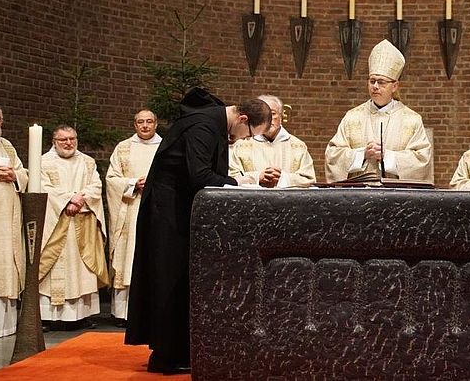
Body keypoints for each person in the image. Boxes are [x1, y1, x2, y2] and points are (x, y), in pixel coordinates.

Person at [125, 88, 271, 375]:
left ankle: (178, 350)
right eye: (249, 133)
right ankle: (166, 357)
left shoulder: (212, 120)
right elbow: (200, 175)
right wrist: (240, 184)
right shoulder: (204, 126)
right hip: (167, 212)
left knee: (180, 276)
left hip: (177, 207)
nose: (245, 139)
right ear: (242, 118)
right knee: (169, 277)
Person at [325, 39, 432, 183]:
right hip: (358, 197)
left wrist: (387, 157)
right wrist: (362, 154)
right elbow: (332, 156)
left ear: (394, 86)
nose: (375, 86)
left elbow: (422, 161)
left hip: (397, 198)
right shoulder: (352, 117)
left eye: (381, 82)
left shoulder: (411, 120)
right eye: (372, 81)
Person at [39, 125, 108, 329]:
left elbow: (96, 186)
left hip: (82, 220)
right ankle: (49, 317)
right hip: (56, 223)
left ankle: (82, 315)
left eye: (72, 139)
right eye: (63, 140)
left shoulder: (87, 162)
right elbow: (42, 187)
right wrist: (68, 200)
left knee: (82, 269)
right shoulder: (43, 162)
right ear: (54, 141)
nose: (69, 143)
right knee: (52, 267)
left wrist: (79, 200)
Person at [105, 109, 161, 326]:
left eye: (149, 122)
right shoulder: (123, 147)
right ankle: (124, 313)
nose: (145, 126)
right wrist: (132, 184)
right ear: (134, 125)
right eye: (140, 122)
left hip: (156, 208)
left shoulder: (164, 147)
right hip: (130, 209)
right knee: (127, 257)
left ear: (156, 123)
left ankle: (152, 313)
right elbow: (111, 179)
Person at [0, 103, 28, 337]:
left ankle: (5, 326)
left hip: (8, 219)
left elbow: (23, 173)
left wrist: (15, 176)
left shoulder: (8, 146)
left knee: (6, 265)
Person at [229, 95, 316, 187]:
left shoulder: (298, 146)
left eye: (273, 114)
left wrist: (282, 178)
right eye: (262, 116)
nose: (268, 119)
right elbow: (231, 177)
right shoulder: (241, 145)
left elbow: (309, 179)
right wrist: (257, 177)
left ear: (281, 116)